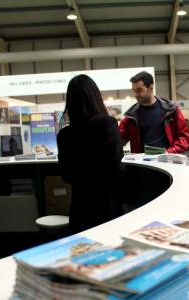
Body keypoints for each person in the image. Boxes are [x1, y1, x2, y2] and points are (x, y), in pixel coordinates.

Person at [57, 75, 124, 233]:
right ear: (95, 96)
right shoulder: (107, 124)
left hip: (80, 210)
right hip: (107, 207)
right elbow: (117, 168)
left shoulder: (64, 135)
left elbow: (66, 176)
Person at [119, 71, 189, 153]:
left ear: (150, 88)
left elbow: (184, 137)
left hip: (166, 162)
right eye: (134, 91)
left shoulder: (171, 110)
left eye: (139, 90)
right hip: (141, 163)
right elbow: (118, 139)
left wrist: (170, 152)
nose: (135, 94)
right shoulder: (130, 116)